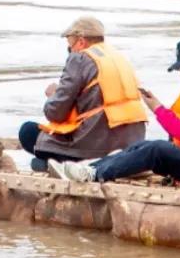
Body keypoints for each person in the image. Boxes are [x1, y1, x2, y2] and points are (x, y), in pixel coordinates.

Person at [50, 35, 180, 185]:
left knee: (156, 150)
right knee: (143, 145)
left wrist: (157, 108)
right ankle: (86, 169)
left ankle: (93, 175)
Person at [18, 16, 148, 170]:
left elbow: (55, 113)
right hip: (133, 143)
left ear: (81, 42)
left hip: (98, 146)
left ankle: (61, 165)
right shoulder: (119, 58)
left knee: (28, 131)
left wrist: (53, 95)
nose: (70, 51)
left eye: (70, 46)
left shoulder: (80, 58)